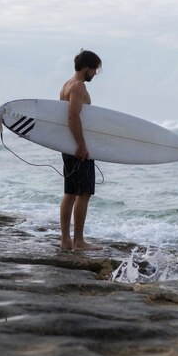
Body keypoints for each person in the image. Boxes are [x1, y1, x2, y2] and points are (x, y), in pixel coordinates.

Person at [59, 50, 102, 250]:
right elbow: (73, 117)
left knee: (70, 192)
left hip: (68, 145)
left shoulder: (67, 84)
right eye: (94, 70)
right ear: (87, 68)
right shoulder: (77, 87)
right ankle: (78, 241)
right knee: (83, 193)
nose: (95, 74)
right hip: (76, 146)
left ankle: (66, 241)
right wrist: (82, 145)